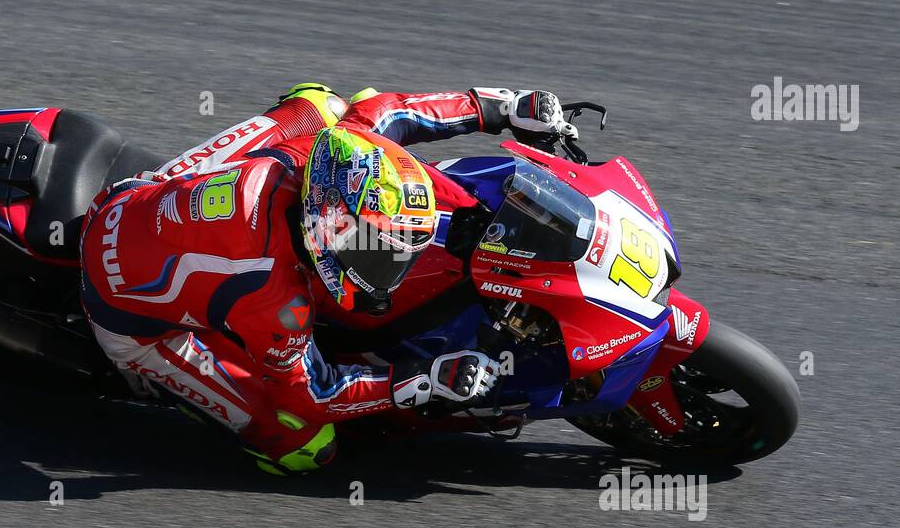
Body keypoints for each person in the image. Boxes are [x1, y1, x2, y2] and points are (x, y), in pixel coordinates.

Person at [79, 84, 574, 474]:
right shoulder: (276, 302)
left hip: (142, 196)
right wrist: (420, 381)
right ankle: (167, 388)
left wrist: (503, 107)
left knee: (325, 105)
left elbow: (391, 111)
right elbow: (314, 393)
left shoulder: (323, 155)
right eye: (377, 248)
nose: (389, 267)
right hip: (123, 307)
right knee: (304, 444)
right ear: (327, 220)